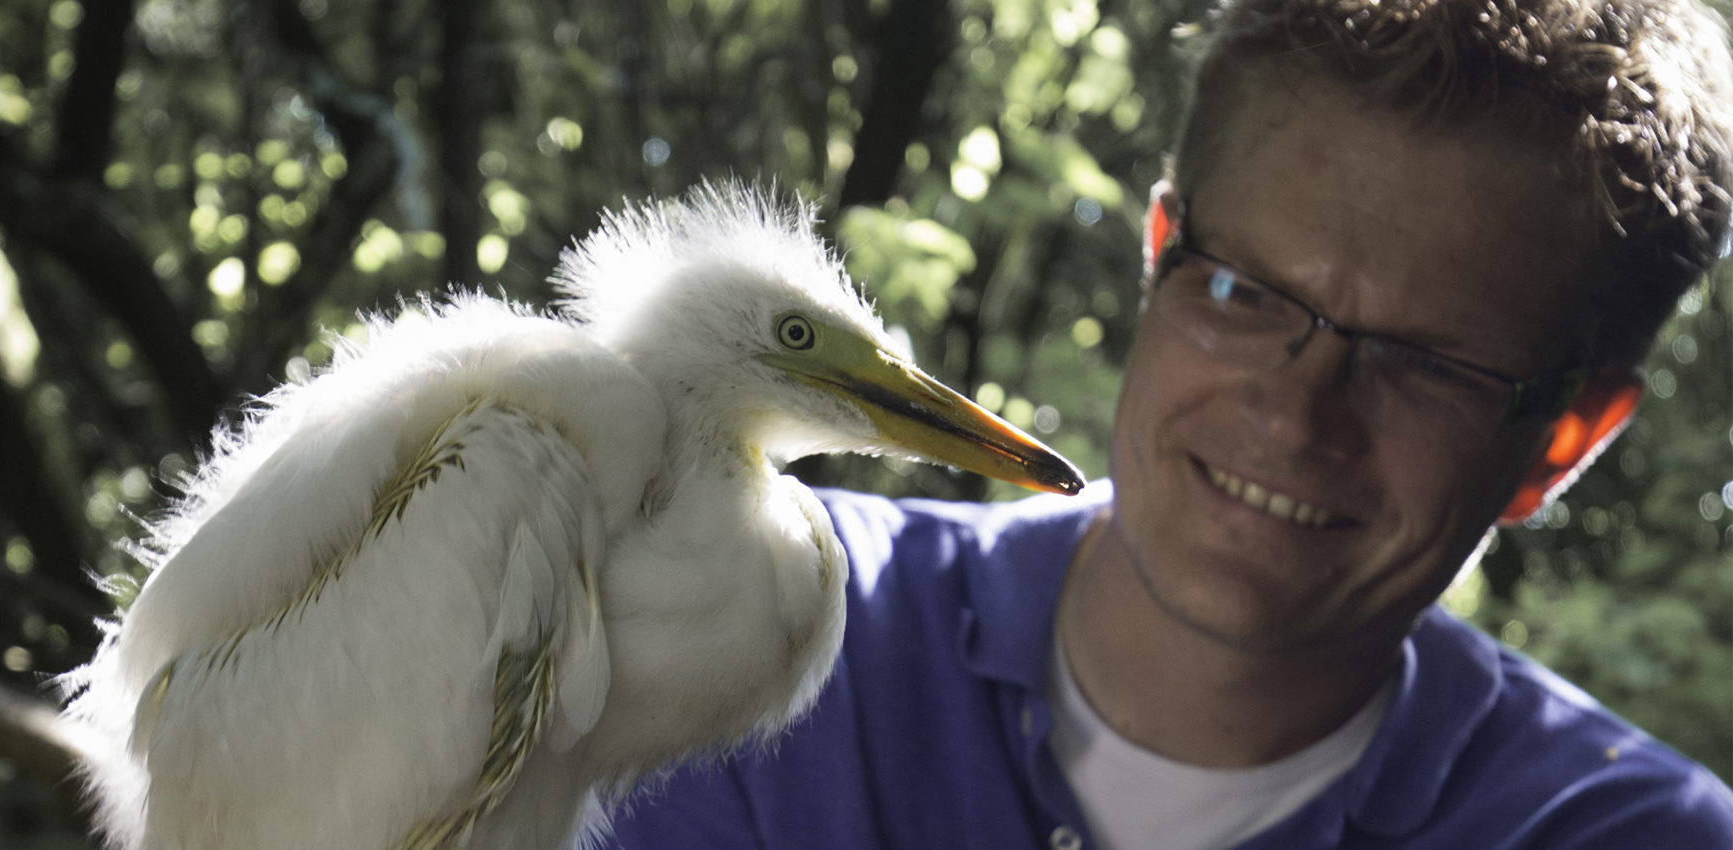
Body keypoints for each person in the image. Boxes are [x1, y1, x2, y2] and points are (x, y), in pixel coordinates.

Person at [608, 0, 1733, 848]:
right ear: (1159, 263)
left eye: (1428, 364)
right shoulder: (689, 613)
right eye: (1243, 292)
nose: (1295, 416)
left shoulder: (1632, 833)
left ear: (1566, 439)